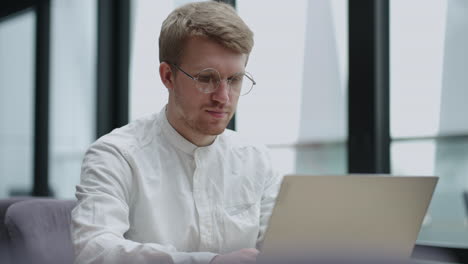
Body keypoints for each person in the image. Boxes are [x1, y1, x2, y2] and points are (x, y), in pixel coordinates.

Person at [71, 2, 282, 264]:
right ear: (167, 76)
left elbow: (284, 249)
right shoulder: (116, 155)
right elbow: (93, 251)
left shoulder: (257, 160)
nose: (223, 97)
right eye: (207, 78)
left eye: (235, 79)